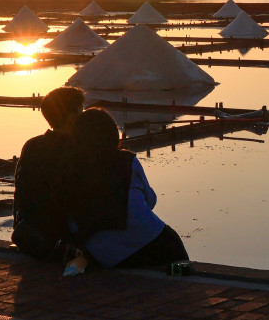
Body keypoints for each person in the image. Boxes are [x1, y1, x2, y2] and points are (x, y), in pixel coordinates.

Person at [65, 108, 188, 271]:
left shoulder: (69, 168)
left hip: (103, 254)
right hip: (150, 243)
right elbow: (150, 201)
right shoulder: (127, 162)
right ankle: (182, 282)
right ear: (112, 135)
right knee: (179, 260)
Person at [12, 86, 85, 261]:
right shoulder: (80, 150)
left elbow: (21, 193)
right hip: (62, 232)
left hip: (31, 230)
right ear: (71, 117)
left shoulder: (32, 146)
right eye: (81, 111)